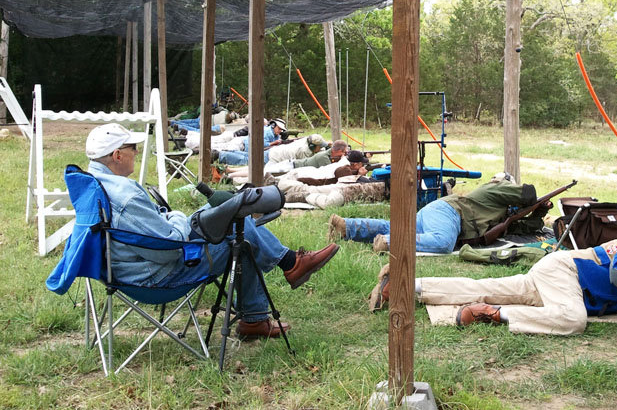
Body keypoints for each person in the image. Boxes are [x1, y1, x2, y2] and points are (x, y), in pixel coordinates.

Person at [83, 123, 339, 339]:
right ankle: (281, 278)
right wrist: (177, 217)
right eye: (133, 147)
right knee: (239, 233)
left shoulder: (93, 183)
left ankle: (280, 279)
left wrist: (172, 219)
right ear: (117, 155)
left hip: (128, 267)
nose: (137, 152)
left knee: (228, 210)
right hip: (156, 276)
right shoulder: (125, 196)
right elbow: (168, 248)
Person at [368, 230, 617, 335]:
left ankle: (407, 286)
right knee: (572, 320)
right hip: (565, 272)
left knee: (488, 285)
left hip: (560, 276)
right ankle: (493, 314)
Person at [327, 172, 537, 254]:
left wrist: (538, 213)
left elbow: (523, 228)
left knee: (396, 227)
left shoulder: (498, 208)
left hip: (439, 211)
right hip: (450, 213)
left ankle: (348, 226)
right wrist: (537, 202)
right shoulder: (495, 188)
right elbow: (528, 193)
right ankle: (390, 242)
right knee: (443, 242)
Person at [216, 119, 288, 166]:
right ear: (273, 125)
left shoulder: (275, 135)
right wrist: (273, 143)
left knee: (226, 151)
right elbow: (259, 143)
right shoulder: (267, 132)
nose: (280, 131)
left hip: (244, 145)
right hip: (241, 144)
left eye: (282, 130)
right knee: (219, 148)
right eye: (279, 128)